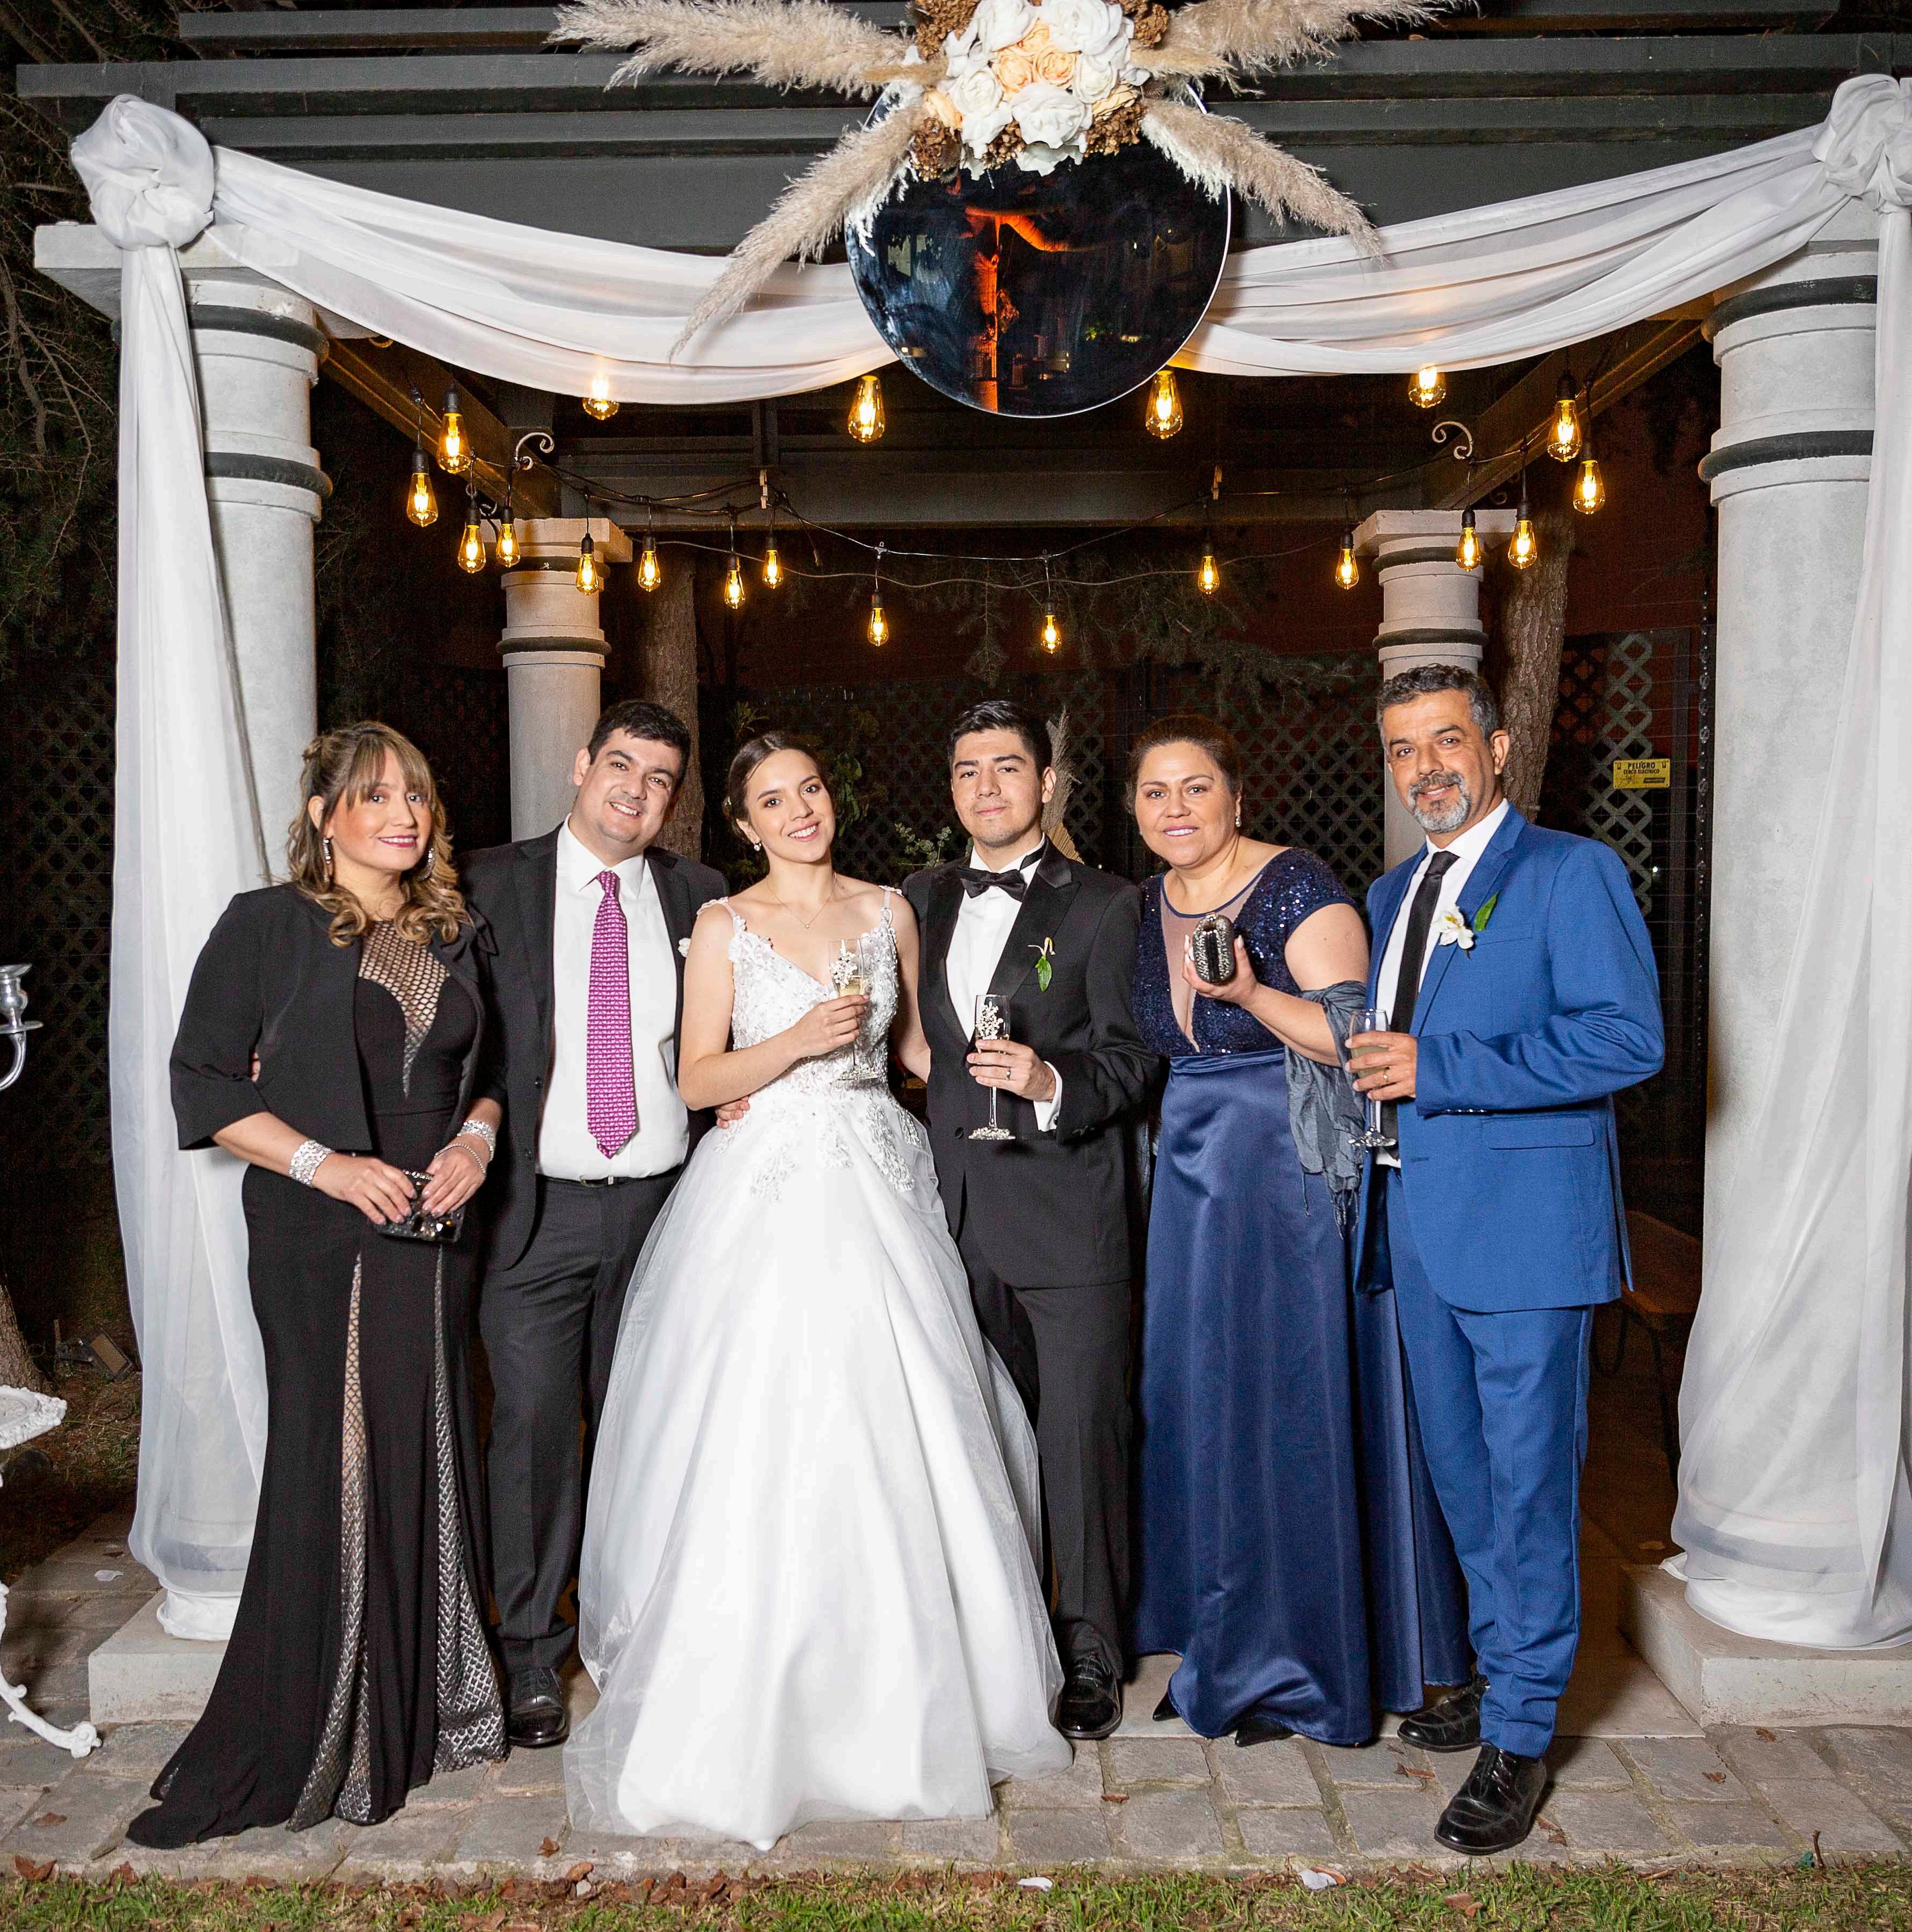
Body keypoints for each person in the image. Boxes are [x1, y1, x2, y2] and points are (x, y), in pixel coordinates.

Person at [565, 732, 1069, 1848]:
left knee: (903, 1411)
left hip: (879, 1169)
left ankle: (923, 1688)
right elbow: (698, 1076)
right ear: (743, 824)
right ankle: (752, 1692)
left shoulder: (889, 911)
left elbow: (916, 1054)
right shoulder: (723, 925)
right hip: (765, 1184)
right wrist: (791, 1042)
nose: (799, 811)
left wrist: (1015, 1080)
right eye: (772, 800)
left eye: (810, 789)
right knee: (768, 1421)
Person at [128, 723, 506, 1846]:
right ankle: (323, 1723)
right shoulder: (266, 924)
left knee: (426, 1446)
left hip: (436, 1223)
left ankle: (420, 1707)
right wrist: (327, 1167)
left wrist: (477, 1141)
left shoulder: (454, 929)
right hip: (320, 1232)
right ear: (323, 816)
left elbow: (496, 1073)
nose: (403, 816)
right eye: (376, 797)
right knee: (334, 1460)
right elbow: (202, 1081)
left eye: (416, 797)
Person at [1349, 665, 1663, 1855]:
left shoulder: (1569, 872)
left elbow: (1625, 1038)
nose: (1423, 767)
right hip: (1421, 1224)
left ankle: (1524, 1735)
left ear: (1493, 747)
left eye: (1444, 741)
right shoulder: (1393, 892)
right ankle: (1500, 1676)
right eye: (1402, 749)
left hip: (1528, 1235)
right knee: (1465, 1481)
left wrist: (1437, 1069)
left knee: (1528, 1487)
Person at [1127, 715, 1472, 1749]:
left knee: (1282, 1402)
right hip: (1189, 1180)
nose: (1175, 808)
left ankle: (1303, 1656)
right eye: (1154, 791)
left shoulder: (1293, 884)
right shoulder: (1142, 904)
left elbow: (1356, 1037)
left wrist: (1247, 993)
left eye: (1196, 787)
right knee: (1202, 1400)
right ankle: (1222, 1631)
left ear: (1235, 796)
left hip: (1284, 1172)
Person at [460, 700, 725, 1750]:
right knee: (532, 1428)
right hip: (535, 1212)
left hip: (664, 1211)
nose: (635, 791)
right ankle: (531, 1653)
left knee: (647, 1427)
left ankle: (641, 1631)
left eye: (659, 779)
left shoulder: (700, 896)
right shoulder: (488, 884)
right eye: (620, 765)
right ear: (581, 766)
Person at [903, 699, 1155, 1740]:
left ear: (1046, 783)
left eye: (1007, 768)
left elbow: (1133, 1059)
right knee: (978, 1438)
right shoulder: (919, 898)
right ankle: (1005, 1636)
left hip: (1068, 1215)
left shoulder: (1105, 905)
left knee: (1081, 1434)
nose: (987, 788)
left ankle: (1091, 1647)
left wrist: (1052, 1082)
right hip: (951, 1217)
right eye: (968, 771)